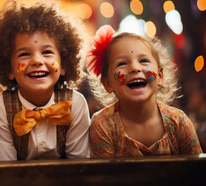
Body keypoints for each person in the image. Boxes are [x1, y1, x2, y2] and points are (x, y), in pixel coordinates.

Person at [0, 0, 91, 161]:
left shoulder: (75, 104)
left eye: (47, 52)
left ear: (63, 65)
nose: (37, 61)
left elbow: (79, 166)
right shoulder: (0, 107)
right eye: (24, 54)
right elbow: (3, 170)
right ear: (9, 69)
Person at [86, 25, 203, 157]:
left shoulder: (179, 122)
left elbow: (197, 171)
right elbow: (105, 176)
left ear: (160, 76)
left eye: (144, 61)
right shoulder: (103, 125)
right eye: (122, 63)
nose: (135, 68)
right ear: (107, 84)